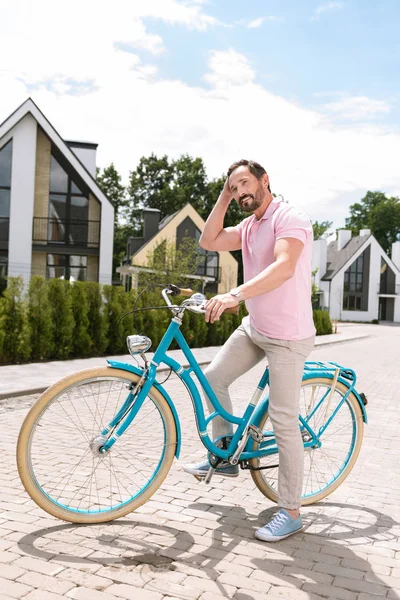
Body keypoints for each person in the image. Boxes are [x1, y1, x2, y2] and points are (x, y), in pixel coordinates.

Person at [183, 159, 316, 542]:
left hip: (287, 337)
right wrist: (222, 197)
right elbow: (208, 240)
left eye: (244, 184)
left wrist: (235, 294)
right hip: (255, 328)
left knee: (283, 419)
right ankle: (225, 456)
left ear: (264, 180)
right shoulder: (248, 226)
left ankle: (290, 510)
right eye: (233, 187)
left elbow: (284, 267)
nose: (241, 192)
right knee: (213, 378)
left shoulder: (289, 218)